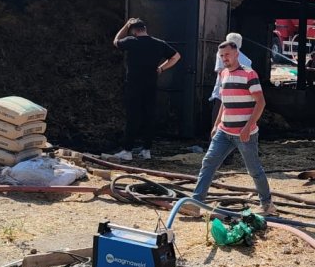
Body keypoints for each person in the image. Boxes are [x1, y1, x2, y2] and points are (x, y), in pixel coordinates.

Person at [191, 38, 274, 214]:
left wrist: (247, 127)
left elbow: (261, 102)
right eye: (221, 56)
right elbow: (224, 102)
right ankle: (196, 203)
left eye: (227, 54)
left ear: (237, 54)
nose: (224, 58)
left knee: (253, 169)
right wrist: (216, 125)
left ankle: (267, 204)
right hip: (224, 130)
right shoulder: (223, 74)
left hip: (245, 133)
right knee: (208, 162)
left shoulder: (249, 74)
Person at [112, 17, 180, 161]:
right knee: (149, 116)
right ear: (145, 29)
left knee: (133, 117)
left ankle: (127, 150)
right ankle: (146, 150)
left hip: (133, 85)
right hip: (151, 85)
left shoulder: (131, 41)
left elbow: (116, 41)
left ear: (134, 31)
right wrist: (161, 68)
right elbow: (176, 56)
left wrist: (125, 25)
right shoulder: (159, 44)